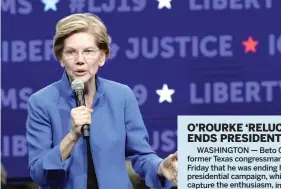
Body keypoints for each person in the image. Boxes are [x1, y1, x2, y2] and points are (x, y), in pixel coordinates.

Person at [25, 13, 178, 189]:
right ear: (61, 58)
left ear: (103, 56)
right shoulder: (41, 102)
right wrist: (72, 136)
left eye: (88, 51)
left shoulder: (121, 96)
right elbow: (39, 173)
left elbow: (142, 156)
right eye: (71, 52)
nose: (80, 60)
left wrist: (160, 167)